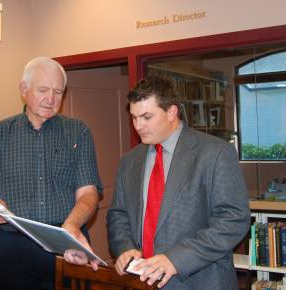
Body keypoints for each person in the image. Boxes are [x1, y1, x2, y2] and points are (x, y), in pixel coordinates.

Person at [0, 56, 103, 290]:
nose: (51, 99)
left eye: (58, 92)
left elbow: (89, 194)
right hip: (11, 248)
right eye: (43, 90)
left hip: (66, 245)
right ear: (24, 89)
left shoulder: (78, 132)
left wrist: (70, 226)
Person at [106, 74, 250, 290]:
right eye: (134, 118)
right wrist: (124, 247)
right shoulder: (130, 161)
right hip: (142, 281)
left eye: (146, 117)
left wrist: (176, 259)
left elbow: (233, 220)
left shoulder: (215, 153)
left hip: (201, 282)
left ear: (172, 112)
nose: (138, 126)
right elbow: (118, 214)